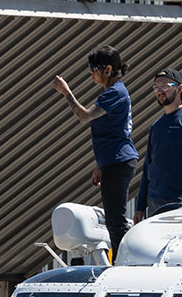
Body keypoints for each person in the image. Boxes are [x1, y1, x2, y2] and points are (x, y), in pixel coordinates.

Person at [51, 45, 138, 258]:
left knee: (115, 219)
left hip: (119, 160)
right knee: (113, 217)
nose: (90, 72)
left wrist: (67, 92)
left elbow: (85, 116)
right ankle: (121, 259)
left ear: (107, 69)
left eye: (93, 67)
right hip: (112, 160)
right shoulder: (113, 92)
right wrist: (100, 164)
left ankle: (123, 261)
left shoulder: (115, 92)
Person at [133, 68, 182, 222]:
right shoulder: (156, 126)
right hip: (154, 203)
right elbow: (148, 168)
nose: (160, 90)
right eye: (156, 86)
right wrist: (140, 207)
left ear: (180, 88)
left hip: (181, 203)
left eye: (165, 85)